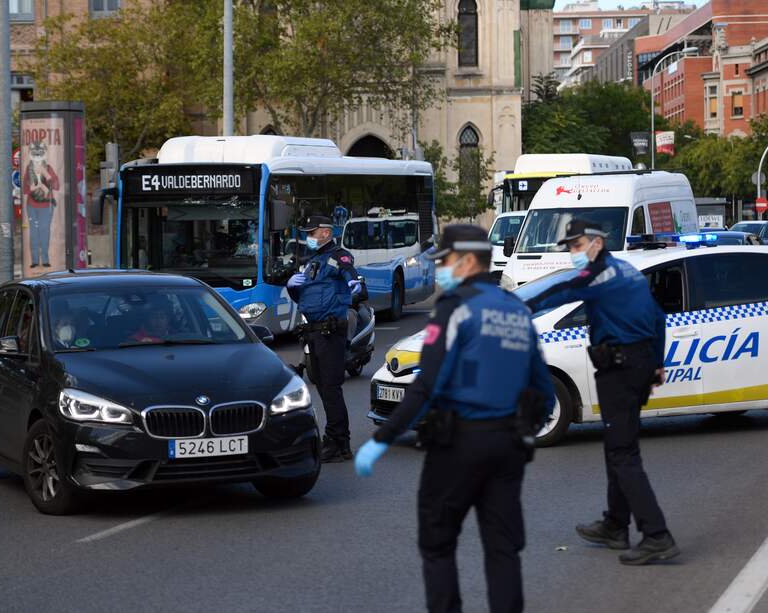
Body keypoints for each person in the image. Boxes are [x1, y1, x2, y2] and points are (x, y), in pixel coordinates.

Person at [355, 224, 555, 613]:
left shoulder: (454, 308)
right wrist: (523, 432)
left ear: (466, 260)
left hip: (459, 445)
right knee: (503, 549)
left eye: (445, 261)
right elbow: (543, 390)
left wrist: (383, 438)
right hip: (508, 445)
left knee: (438, 544)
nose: (440, 269)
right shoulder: (516, 309)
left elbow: (426, 383)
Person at [522, 218, 679, 566]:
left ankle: (657, 535)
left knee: (623, 453)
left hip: (619, 370)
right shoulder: (628, 271)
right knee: (617, 446)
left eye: (577, 245)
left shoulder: (598, 274)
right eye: (570, 247)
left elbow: (559, 293)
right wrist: (656, 364)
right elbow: (658, 319)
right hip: (637, 365)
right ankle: (615, 526)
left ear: (596, 242)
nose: (573, 253)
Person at [287, 215, 366, 463]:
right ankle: (337, 442)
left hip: (330, 331)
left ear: (326, 232)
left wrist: (354, 282)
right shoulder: (312, 262)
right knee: (322, 387)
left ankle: (338, 441)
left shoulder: (336, 256)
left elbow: (349, 273)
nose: (308, 237)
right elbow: (302, 296)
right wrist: (291, 286)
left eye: (312, 232)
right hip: (313, 331)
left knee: (331, 388)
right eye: (307, 232)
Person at [25, 140, 59, 269]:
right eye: (35, 152)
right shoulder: (28, 169)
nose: (38, 155)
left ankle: (45, 259)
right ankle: (34, 260)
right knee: (33, 233)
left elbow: (56, 186)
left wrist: (45, 173)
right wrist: (33, 188)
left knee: (44, 232)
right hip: (32, 205)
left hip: (46, 206)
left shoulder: (48, 168)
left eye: (40, 152)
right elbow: (24, 188)